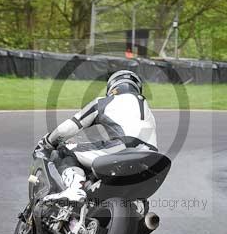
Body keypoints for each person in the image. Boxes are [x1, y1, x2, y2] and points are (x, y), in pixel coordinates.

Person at [40, 70, 158, 203]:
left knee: (64, 151)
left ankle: (74, 189)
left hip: (125, 149)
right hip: (152, 160)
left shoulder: (105, 102)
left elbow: (68, 128)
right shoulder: (149, 113)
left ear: (112, 87)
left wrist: (47, 141)